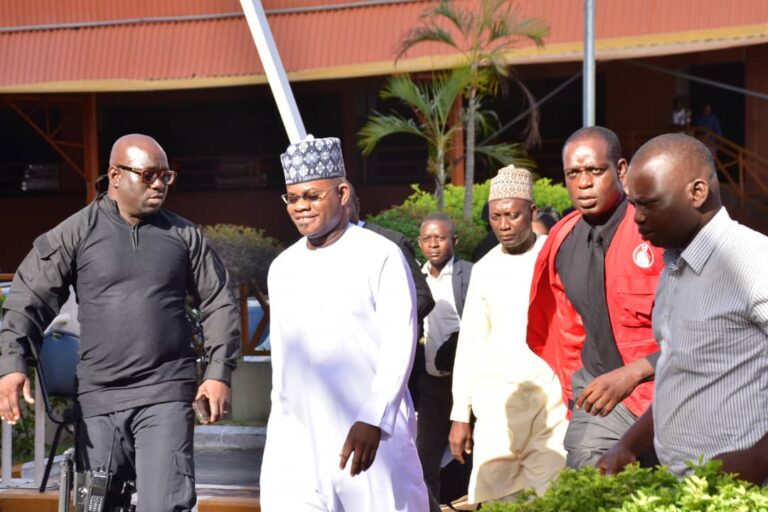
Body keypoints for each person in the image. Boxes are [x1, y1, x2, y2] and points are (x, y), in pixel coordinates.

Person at [0, 134, 240, 510]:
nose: (159, 184)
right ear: (115, 175)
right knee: (96, 506)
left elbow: (219, 301)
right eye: (149, 175)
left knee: (164, 505)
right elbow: (28, 297)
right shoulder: (76, 232)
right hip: (98, 402)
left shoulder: (185, 236)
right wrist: (13, 365)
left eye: (166, 176)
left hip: (164, 395)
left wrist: (218, 372)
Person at [260, 136, 428, 511]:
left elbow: (399, 343)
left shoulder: (380, 254)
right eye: (292, 198)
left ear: (342, 193)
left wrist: (373, 418)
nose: (301, 206)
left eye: (312, 196)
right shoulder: (282, 267)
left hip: (368, 435)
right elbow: (284, 366)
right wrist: (280, 436)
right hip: (298, 443)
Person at [598, 133, 768, 485]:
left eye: (649, 204)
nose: (637, 218)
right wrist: (628, 445)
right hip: (683, 487)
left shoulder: (754, 262)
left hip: (744, 493)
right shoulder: (674, 267)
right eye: (634, 204)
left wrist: (759, 456)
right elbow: (680, 373)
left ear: (697, 192)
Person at [527, 126, 664, 469]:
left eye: (595, 170)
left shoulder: (656, 229)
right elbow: (566, 326)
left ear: (621, 170)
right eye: (573, 174)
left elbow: (701, 332)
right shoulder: (562, 237)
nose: (584, 183)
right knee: (588, 476)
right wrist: (575, 391)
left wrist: (635, 373)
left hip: (669, 388)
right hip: (600, 393)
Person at [449, 165, 567, 505]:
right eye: (496, 216)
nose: (503, 225)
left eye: (512, 215)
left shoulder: (555, 256)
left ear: (532, 212)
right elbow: (471, 343)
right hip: (497, 408)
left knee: (553, 498)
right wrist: (460, 414)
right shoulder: (484, 268)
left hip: (552, 403)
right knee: (499, 500)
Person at [344, 181, 435, 408]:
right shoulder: (317, 251)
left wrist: (384, 325)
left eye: (344, 203)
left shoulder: (390, 242)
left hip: (384, 365)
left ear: (356, 205)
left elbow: (423, 297)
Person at [416, 212, 472, 508]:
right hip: (431, 384)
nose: (434, 244)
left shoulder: (471, 274)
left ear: (455, 240)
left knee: (475, 451)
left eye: (440, 238)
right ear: (419, 242)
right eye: (428, 238)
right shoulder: (415, 278)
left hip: (469, 383)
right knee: (425, 454)